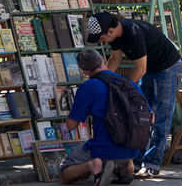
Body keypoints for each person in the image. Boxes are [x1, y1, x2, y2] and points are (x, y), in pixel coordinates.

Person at [86, 12, 182, 178]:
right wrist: (103, 79)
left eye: (100, 37)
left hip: (167, 68)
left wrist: (122, 89)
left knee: (160, 116)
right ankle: (135, 162)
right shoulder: (116, 36)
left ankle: (152, 163)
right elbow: (115, 58)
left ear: (109, 31)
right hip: (150, 69)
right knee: (139, 116)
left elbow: (140, 69)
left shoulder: (133, 33)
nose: (101, 41)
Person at [61, 49, 145, 186]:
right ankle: (126, 165)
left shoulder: (89, 86)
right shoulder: (128, 83)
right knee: (119, 151)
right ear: (102, 61)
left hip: (103, 147)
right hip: (133, 146)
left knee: (65, 173)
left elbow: (71, 125)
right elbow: (150, 116)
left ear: (84, 71)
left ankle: (92, 165)